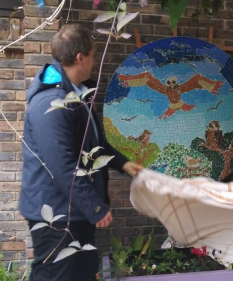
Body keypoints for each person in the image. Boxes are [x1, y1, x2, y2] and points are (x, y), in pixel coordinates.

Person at [19, 24, 143, 281]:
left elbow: (94, 146)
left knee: (83, 272)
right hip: (56, 214)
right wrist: (95, 208)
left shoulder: (77, 95)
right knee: (55, 276)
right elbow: (61, 164)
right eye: (94, 54)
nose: (95, 61)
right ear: (80, 58)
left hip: (74, 209)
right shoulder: (51, 103)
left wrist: (124, 164)